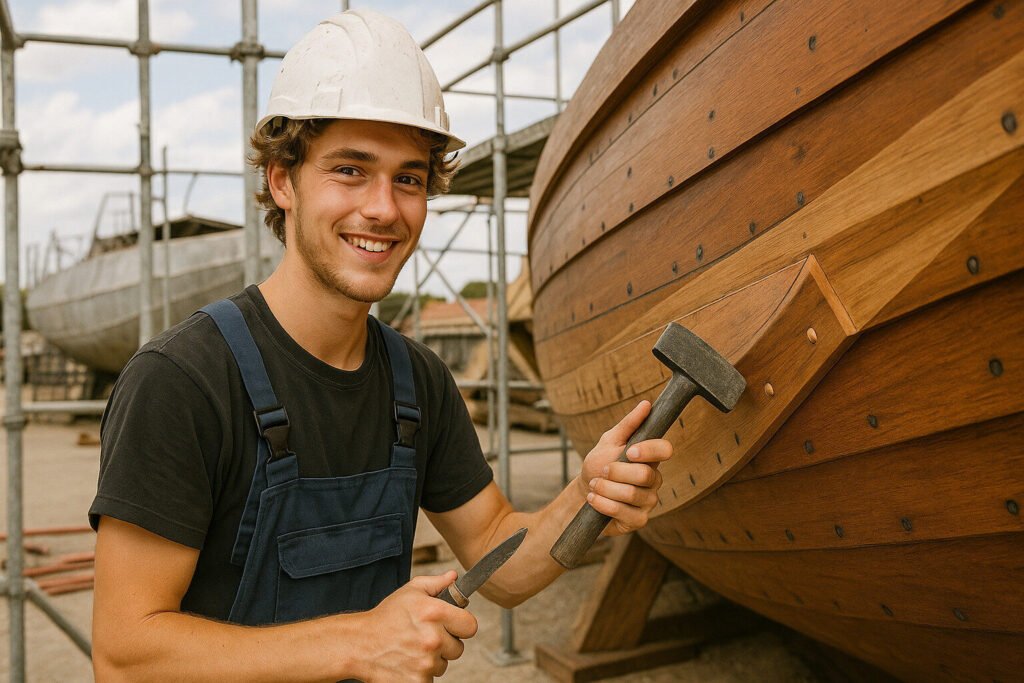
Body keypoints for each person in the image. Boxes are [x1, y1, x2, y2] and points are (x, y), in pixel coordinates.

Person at [90, 9, 672, 682]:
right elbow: (125, 657)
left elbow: (496, 555)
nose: (384, 208)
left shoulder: (416, 382)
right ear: (282, 180)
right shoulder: (182, 381)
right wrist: (360, 643)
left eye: (409, 178)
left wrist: (586, 496)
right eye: (350, 170)